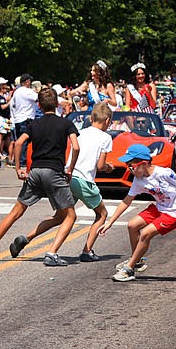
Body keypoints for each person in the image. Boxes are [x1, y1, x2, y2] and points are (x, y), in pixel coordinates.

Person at [0, 87, 80, 266]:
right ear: (57, 104)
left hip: (35, 172)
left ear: (39, 105)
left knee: (16, 211)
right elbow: (76, 147)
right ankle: (52, 253)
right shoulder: (66, 124)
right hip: (54, 172)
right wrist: (70, 168)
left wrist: (19, 168)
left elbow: (18, 143)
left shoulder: (34, 124)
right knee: (70, 216)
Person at [100, 144, 176, 281]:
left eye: (131, 165)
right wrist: (110, 223)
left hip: (175, 212)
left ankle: (129, 269)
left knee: (145, 233)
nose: (129, 169)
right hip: (159, 208)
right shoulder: (138, 180)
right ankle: (137, 260)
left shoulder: (164, 173)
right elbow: (126, 201)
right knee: (132, 225)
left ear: (144, 163)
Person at [68, 103, 115, 262]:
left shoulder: (80, 133)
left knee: (62, 216)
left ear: (91, 118)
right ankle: (87, 251)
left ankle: (28, 237)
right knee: (102, 214)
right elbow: (100, 166)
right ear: (107, 120)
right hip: (84, 180)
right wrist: (109, 168)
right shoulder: (106, 138)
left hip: (69, 177)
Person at [9, 74, 38, 165]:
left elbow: (12, 105)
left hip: (18, 118)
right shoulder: (27, 91)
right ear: (27, 82)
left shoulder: (16, 92)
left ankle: (18, 160)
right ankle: (23, 160)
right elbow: (38, 98)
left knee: (19, 140)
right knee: (26, 140)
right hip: (26, 118)